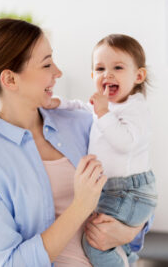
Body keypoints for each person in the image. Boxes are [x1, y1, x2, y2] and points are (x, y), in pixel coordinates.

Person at [0, 19, 149, 267]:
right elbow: (10, 263)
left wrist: (129, 232)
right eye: (47, 64)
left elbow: (138, 186)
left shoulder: (82, 122)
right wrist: (80, 207)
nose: (58, 72)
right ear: (10, 80)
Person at [47, 34, 157, 266]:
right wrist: (58, 103)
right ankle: (127, 259)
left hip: (129, 190)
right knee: (110, 241)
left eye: (117, 67)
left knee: (95, 243)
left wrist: (104, 113)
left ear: (138, 75)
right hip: (115, 190)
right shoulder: (108, 106)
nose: (107, 74)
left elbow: (125, 141)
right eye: (99, 69)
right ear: (92, 76)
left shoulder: (135, 108)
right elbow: (82, 107)